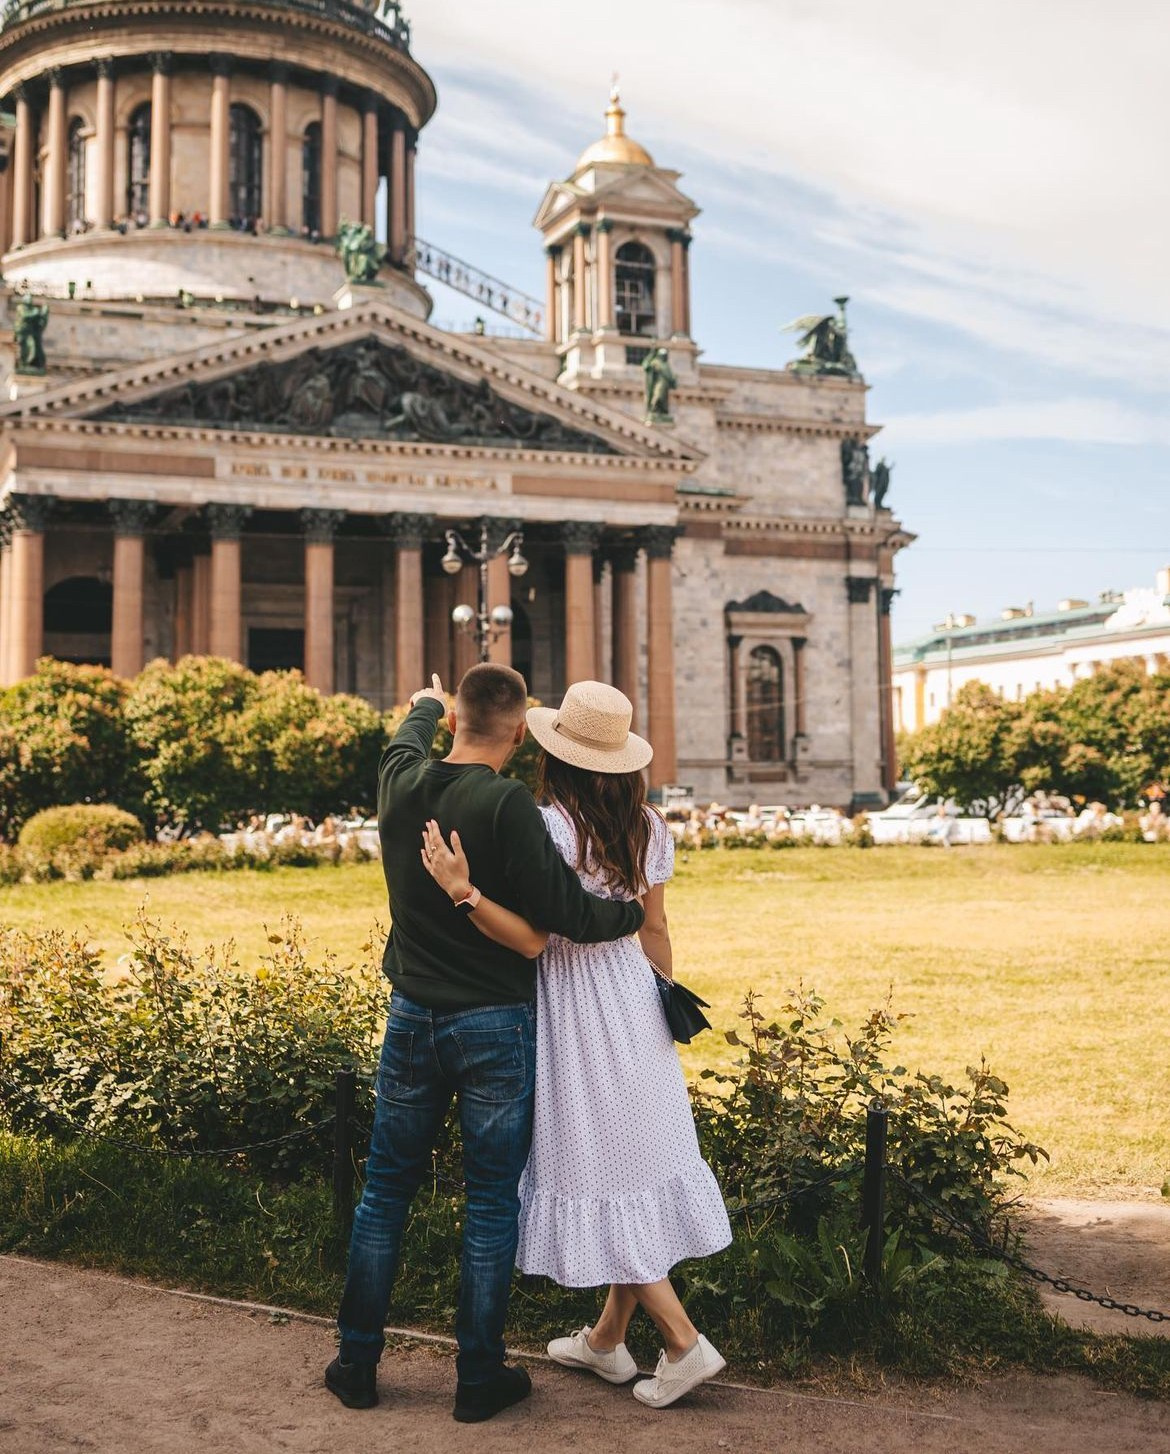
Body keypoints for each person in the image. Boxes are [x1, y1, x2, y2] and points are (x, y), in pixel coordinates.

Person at [326, 666, 644, 1423]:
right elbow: (567, 914)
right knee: (492, 1204)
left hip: (411, 1018)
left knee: (383, 1195)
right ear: (517, 730)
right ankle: (477, 1378)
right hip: (495, 1025)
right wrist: (633, 918)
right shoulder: (505, 802)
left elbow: (408, 732)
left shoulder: (400, 778)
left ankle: (356, 1363)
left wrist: (426, 703)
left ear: (456, 719)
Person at [422, 680, 731, 1410]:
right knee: (629, 1164)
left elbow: (535, 936)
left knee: (595, 1168)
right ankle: (605, 1342)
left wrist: (463, 893)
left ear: (556, 755)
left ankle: (684, 1343)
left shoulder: (546, 828)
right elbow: (654, 929)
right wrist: (660, 997)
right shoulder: (652, 827)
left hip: (571, 1002)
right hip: (633, 995)